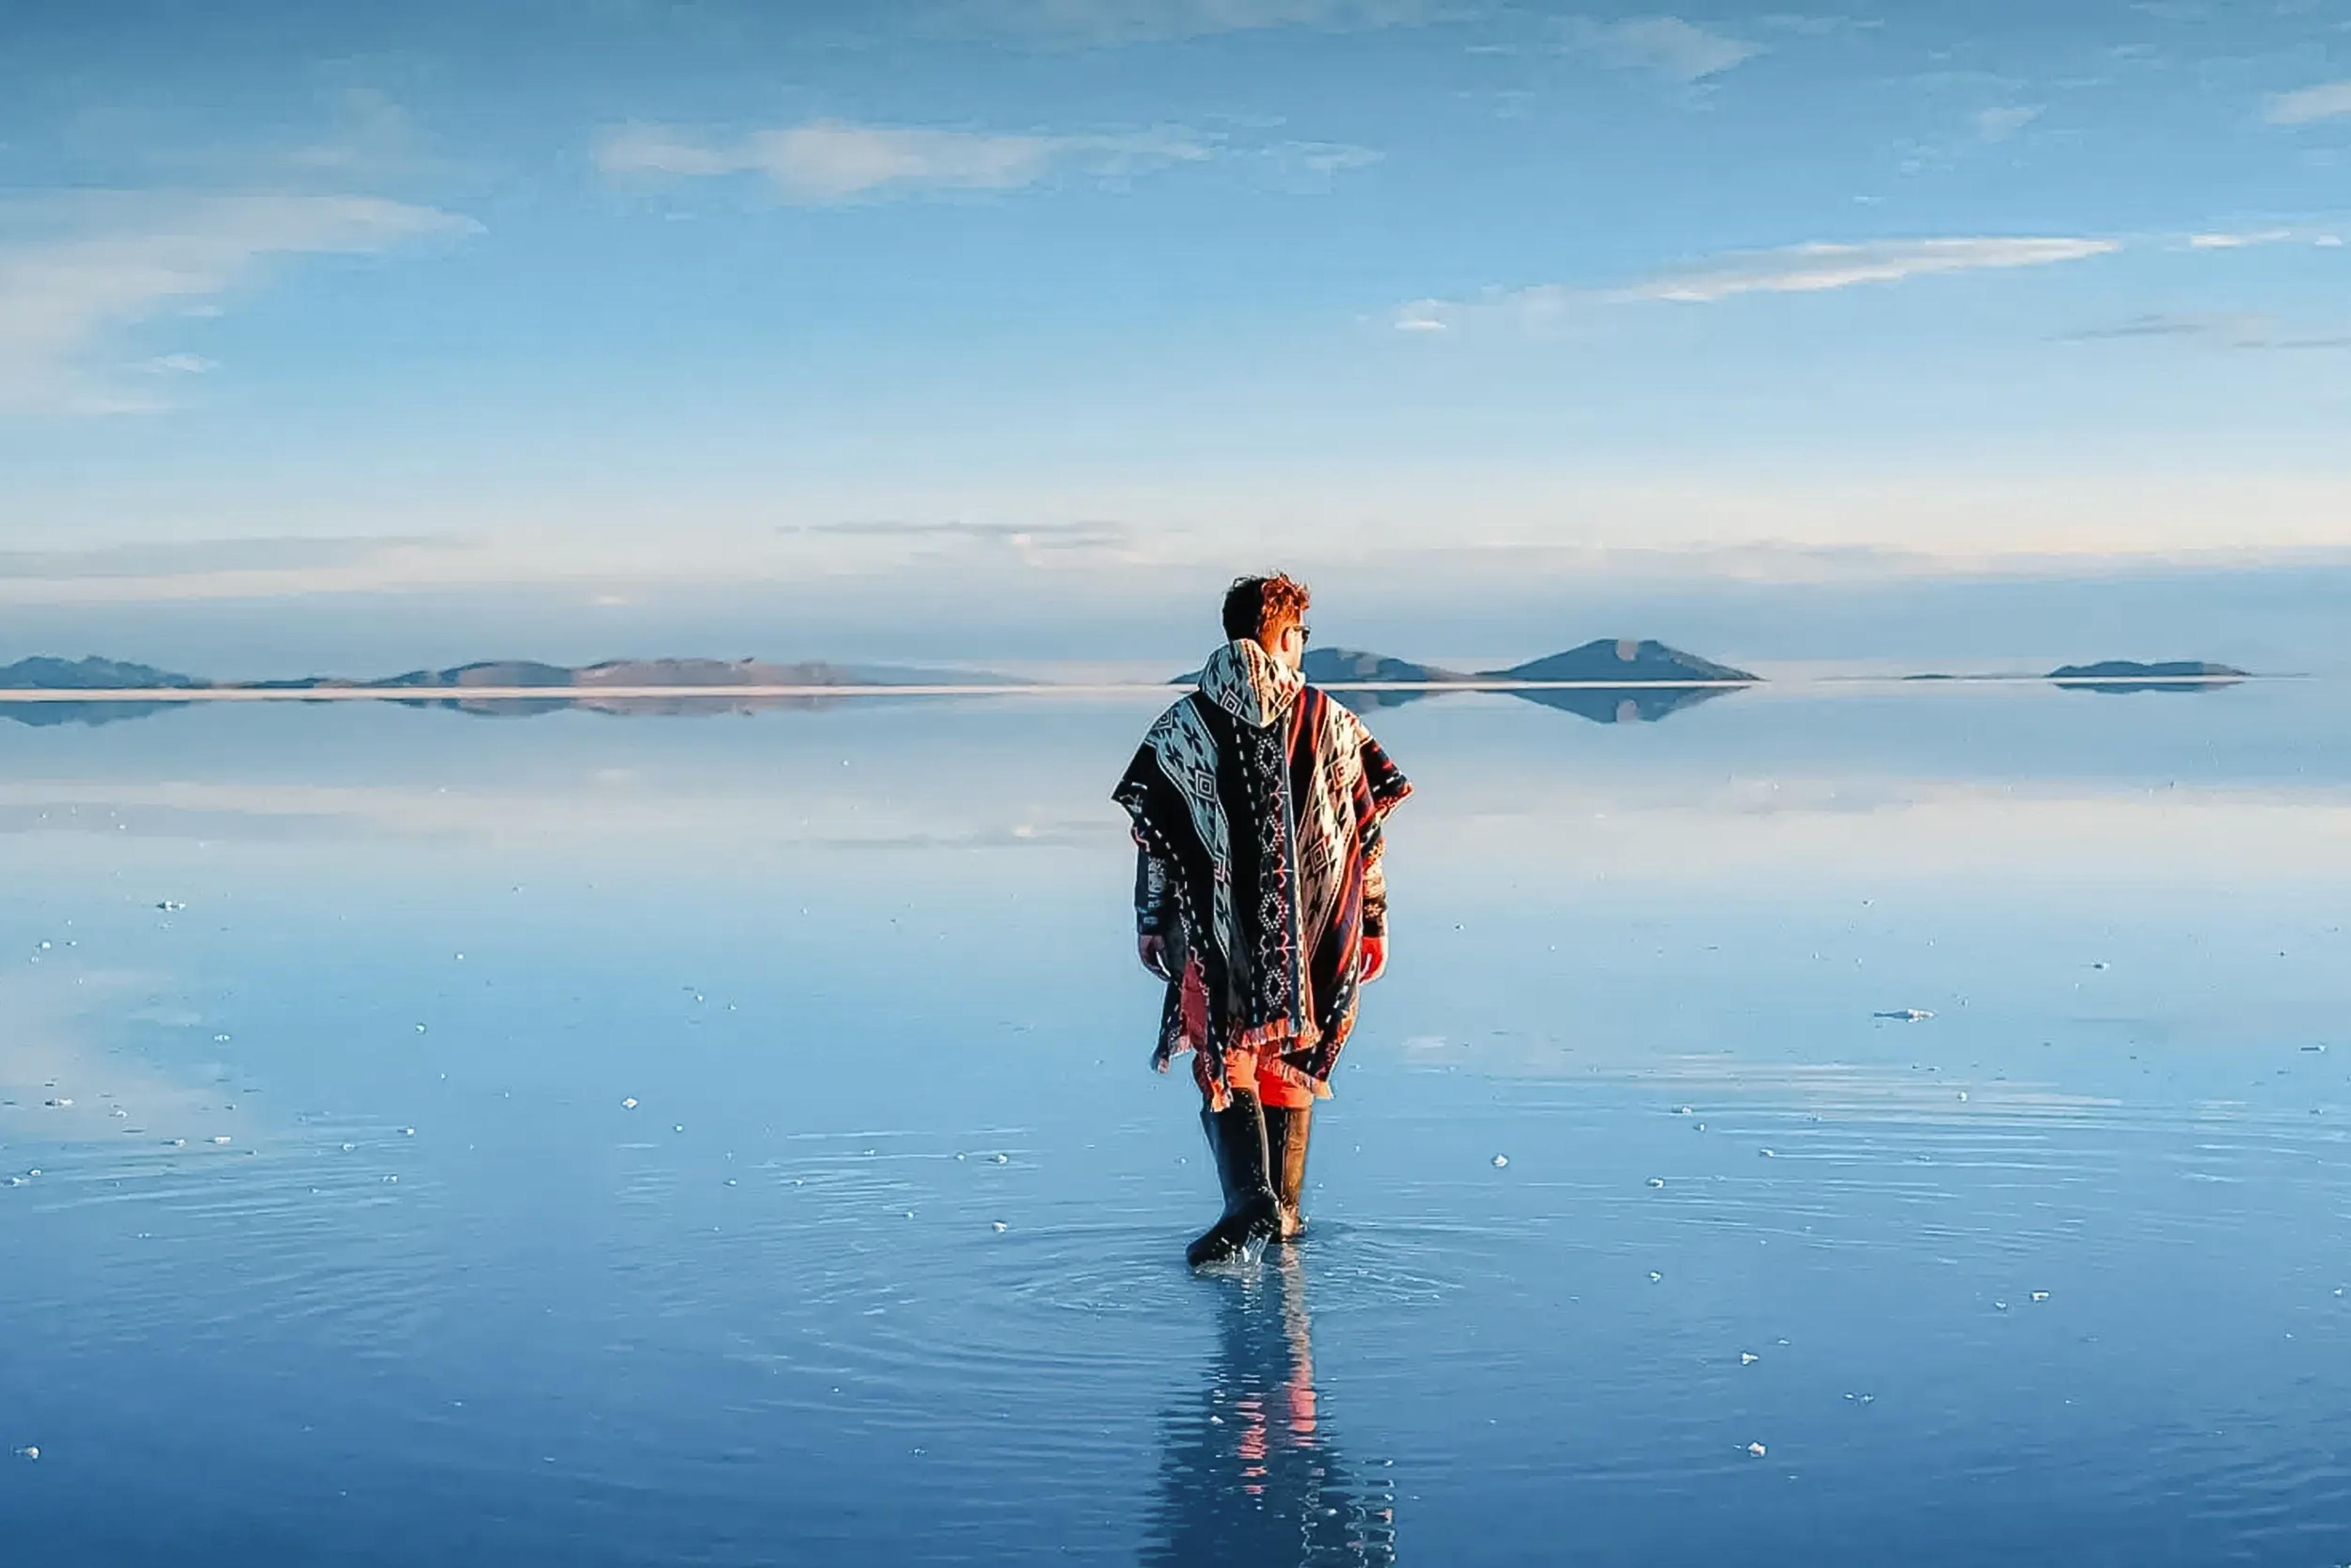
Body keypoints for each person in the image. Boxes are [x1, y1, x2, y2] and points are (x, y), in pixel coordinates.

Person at [1114, 573, 1411, 1266]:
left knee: (1228, 1055)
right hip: (1312, 930)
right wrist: (1373, 920)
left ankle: (1252, 1200)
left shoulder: (1184, 722)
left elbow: (1157, 832)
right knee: (1288, 1057)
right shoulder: (1328, 719)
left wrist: (1150, 917)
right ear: (1280, 635)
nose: (1303, 647)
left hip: (1215, 935)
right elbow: (1363, 836)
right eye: (1301, 634)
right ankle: (1282, 1215)